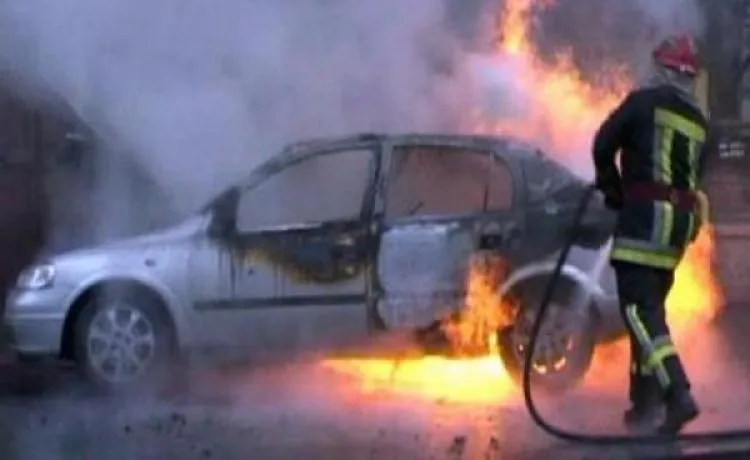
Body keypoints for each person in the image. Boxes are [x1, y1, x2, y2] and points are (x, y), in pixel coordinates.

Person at [591, 34, 711, 435]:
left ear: (662, 69)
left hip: (644, 222)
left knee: (639, 312)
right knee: (649, 313)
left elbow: (603, 144)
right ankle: (643, 404)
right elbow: (696, 175)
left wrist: (612, 191)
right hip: (677, 230)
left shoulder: (642, 103)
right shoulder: (700, 122)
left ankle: (678, 394)